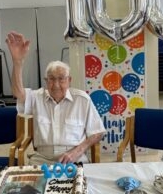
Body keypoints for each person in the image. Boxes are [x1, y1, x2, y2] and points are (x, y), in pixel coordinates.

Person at [6, 31, 106, 165]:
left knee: (77, 185)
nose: (56, 85)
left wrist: (77, 151)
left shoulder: (82, 100)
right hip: (42, 158)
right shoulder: (37, 97)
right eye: (51, 79)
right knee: (33, 186)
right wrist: (17, 62)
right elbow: (18, 92)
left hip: (73, 157)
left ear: (69, 80)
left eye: (61, 79)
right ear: (46, 81)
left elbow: (97, 132)